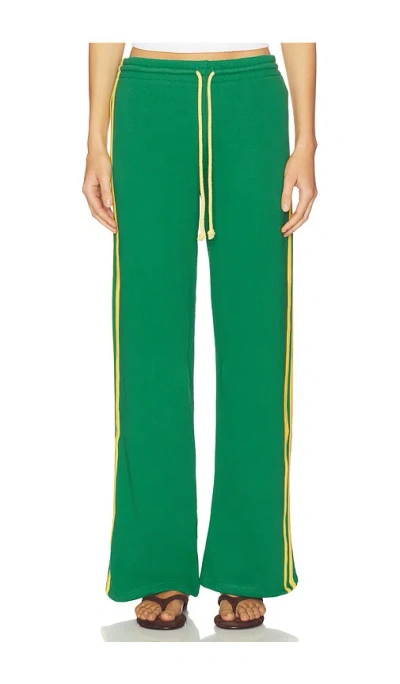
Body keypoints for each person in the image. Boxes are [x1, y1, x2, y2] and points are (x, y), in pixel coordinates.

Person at [83, 42, 317, 631]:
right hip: (147, 101)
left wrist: (306, 140)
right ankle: (156, 561)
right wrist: (95, 142)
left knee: (257, 346)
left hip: (251, 99)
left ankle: (248, 564)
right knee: (148, 349)